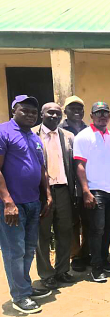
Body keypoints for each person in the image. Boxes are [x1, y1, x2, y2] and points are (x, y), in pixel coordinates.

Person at [0, 95, 52, 313]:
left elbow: (41, 170)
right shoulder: (3, 132)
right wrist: (7, 200)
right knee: (15, 250)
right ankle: (19, 296)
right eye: (25, 110)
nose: (30, 115)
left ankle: (25, 287)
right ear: (14, 110)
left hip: (33, 202)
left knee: (29, 249)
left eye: (33, 112)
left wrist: (47, 194)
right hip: (13, 205)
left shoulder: (35, 138)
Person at [73, 102, 110, 282]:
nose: (102, 116)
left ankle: (105, 260)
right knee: (96, 230)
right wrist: (85, 190)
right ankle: (96, 267)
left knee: (108, 229)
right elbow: (79, 166)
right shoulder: (83, 136)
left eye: (105, 113)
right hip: (95, 191)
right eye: (98, 113)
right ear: (91, 116)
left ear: (109, 116)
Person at [33, 103, 76, 290]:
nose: (54, 116)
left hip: (64, 189)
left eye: (57, 113)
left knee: (64, 231)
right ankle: (46, 274)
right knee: (42, 234)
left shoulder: (68, 137)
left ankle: (62, 270)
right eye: (50, 112)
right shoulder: (32, 134)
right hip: (41, 192)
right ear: (42, 115)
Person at [59, 95, 90, 272]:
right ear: (66, 111)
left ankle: (86, 253)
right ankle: (75, 255)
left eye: (79, 108)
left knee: (88, 220)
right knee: (72, 222)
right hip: (68, 183)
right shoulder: (59, 129)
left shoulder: (88, 129)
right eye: (72, 108)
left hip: (88, 182)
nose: (77, 112)